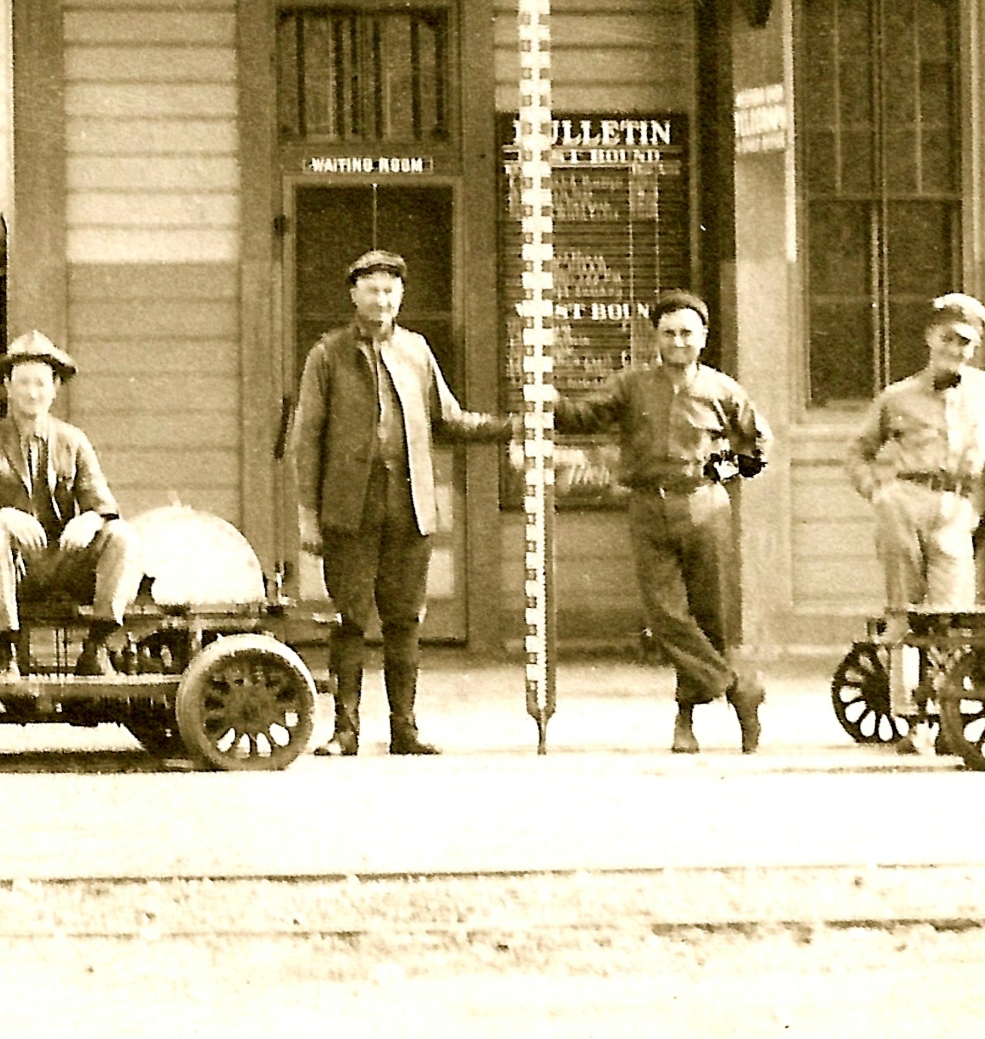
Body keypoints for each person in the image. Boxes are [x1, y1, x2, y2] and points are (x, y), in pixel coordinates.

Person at [287, 250, 513, 756]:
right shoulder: (327, 354)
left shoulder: (416, 351)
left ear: (401, 297)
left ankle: (404, 730)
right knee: (349, 619)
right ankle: (345, 731)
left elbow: (449, 419)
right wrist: (308, 515)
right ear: (354, 295)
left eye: (390, 291)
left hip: (409, 509)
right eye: (372, 290)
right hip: (349, 509)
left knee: (405, 620)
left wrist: (512, 426)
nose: (382, 299)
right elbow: (307, 439)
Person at [550, 291, 773, 756]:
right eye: (669, 333)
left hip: (704, 507)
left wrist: (718, 471)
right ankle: (738, 688)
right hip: (649, 507)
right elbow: (584, 415)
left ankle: (693, 719)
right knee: (666, 615)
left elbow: (758, 450)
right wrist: (548, 398)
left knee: (712, 617)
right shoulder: (632, 385)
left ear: (704, 338)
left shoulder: (724, 391)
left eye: (687, 333)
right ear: (656, 337)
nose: (678, 342)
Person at [844, 292, 985, 752]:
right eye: (948, 339)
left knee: (951, 616)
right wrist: (877, 492)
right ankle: (912, 723)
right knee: (904, 613)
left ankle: (945, 714)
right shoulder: (897, 396)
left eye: (965, 343)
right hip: (903, 501)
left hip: (956, 508)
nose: (956, 350)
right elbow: (857, 453)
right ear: (929, 338)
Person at [0, 331, 137, 676]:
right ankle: (7, 655)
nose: (32, 393)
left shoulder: (73, 441)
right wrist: (3, 516)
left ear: (54, 388)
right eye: (23, 383)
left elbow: (103, 503)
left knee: (122, 536)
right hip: (14, 566)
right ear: (7, 386)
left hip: (63, 564)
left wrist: (92, 520)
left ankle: (96, 649)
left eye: (41, 383)